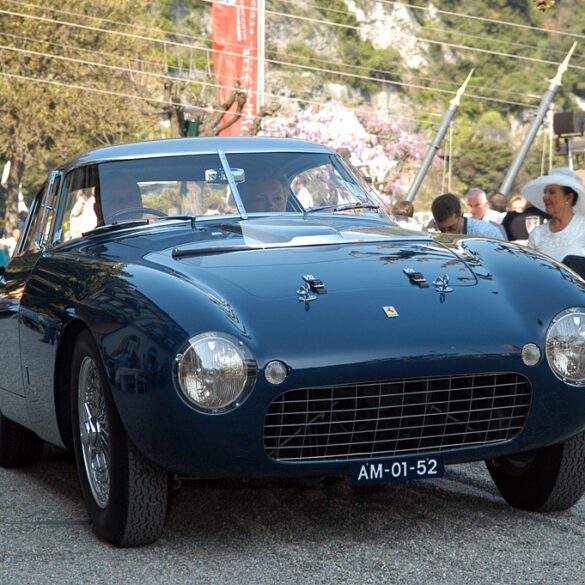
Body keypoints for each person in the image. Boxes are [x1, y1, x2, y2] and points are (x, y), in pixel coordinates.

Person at [522, 167, 585, 269]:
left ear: (569, 197)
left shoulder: (582, 227)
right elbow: (529, 268)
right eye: (545, 192)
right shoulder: (538, 233)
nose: (545, 197)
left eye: (551, 192)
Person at [431, 193, 506, 239]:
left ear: (461, 215)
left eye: (452, 228)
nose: (446, 234)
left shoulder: (486, 234)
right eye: (441, 229)